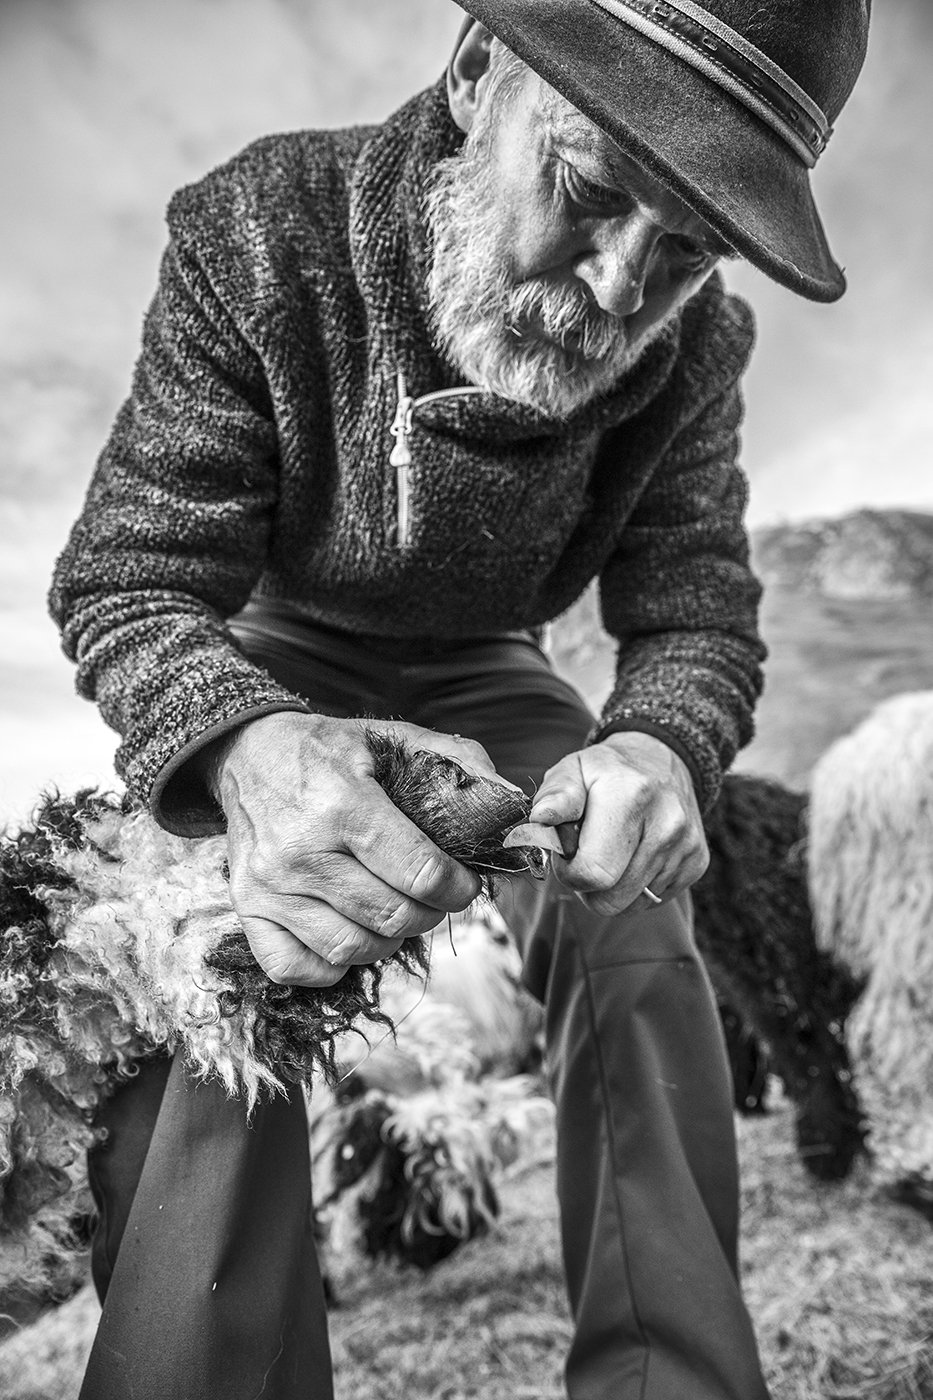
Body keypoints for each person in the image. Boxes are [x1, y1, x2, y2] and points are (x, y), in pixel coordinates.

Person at [49, 2, 870, 1397]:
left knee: (633, 914)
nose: (621, 287)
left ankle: (668, 1378)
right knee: (223, 961)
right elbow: (131, 581)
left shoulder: (695, 356)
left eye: (688, 247)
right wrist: (243, 750)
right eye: (588, 190)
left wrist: (660, 748)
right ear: (479, 69)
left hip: (495, 665)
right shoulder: (262, 227)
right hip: (263, 654)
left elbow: (692, 619)